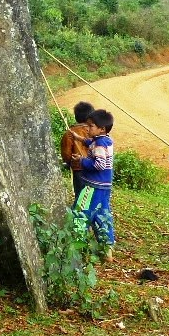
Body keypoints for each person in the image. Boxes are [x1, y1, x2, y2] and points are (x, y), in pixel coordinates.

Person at [74, 108, 115, 255]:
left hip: (92, 186)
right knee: (102, 214)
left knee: (80, 211)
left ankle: (77, 244)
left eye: (91, 126)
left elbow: (99, 164)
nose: (87, 128)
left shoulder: (99, 145)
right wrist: (80, 139)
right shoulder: (105, 140)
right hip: (104, 186)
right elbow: (91, 143)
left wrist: (82, 161)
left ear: (101, 129)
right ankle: (107, 247)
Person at [59, 101, 95, 198]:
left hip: (78, 168)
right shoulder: (95, 131)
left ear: (76, 117)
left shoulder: (70, 133)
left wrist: (69, 162)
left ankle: (80, 212)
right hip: (93, 168)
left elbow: (66, 154)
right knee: (93, 195)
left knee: (80, 196)